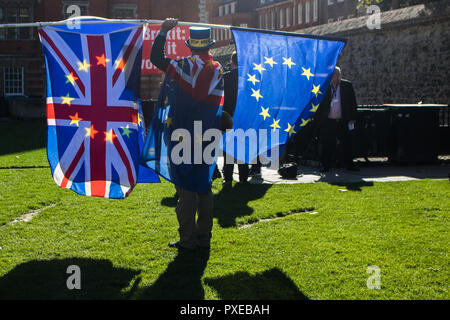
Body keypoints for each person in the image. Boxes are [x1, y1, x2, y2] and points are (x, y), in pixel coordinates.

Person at [150, 18, 232, 251]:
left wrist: (164, 32)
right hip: (207, 135)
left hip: (183, 134)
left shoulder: (183, 66)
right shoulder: (217, 70)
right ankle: (204, 239)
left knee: (185, 186)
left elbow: (156, 58)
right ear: (209, 46)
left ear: (191, 46)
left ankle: (187, 239)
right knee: (204, 186)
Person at [316, 66, 359, 172]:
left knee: (346, 143)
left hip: (342, 120)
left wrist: (353, 117)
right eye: (331, 74)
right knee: (327, 144)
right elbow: (319, 105)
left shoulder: (346, 86)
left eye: (334, 74)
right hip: (329, 121)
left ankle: (350, 165)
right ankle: (325, 166)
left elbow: (353, 102)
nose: (332, 77)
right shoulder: (325, 86)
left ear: (339, 75)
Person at [222, 51, 249, 186]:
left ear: (232, 62)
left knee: (229, 149)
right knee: (243, 148)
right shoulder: (249, 78)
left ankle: (228, 177)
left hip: (228, 116)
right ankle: (243, 177)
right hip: (244, 116)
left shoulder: (225, 77)